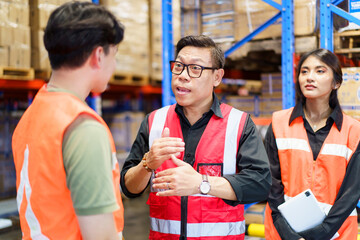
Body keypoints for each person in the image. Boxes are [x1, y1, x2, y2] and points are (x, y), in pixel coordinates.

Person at [120, 35, 271, 239]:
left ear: (217, 77)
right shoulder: (154, 121)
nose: (182, 75)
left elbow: (259, 185)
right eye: (179, 66)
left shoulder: (239, 124)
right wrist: (147, 164)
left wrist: (202, 183)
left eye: (195, 69)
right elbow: (129, 188)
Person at [12, 2, 125, 239]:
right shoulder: (82, 127)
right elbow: (99, 234)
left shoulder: (32, 115)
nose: (114, 66)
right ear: (98, 55)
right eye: (114, 55)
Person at [264, 48, 360, 240]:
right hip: (284, 233)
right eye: (304, 71)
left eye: (320, 71)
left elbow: (352, 193)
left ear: (336, 82)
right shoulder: (279, 123)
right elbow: (270, 184)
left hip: (336, 234)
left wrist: (321, 234)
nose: (309, 77)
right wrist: (289, 235)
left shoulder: (354, 130)